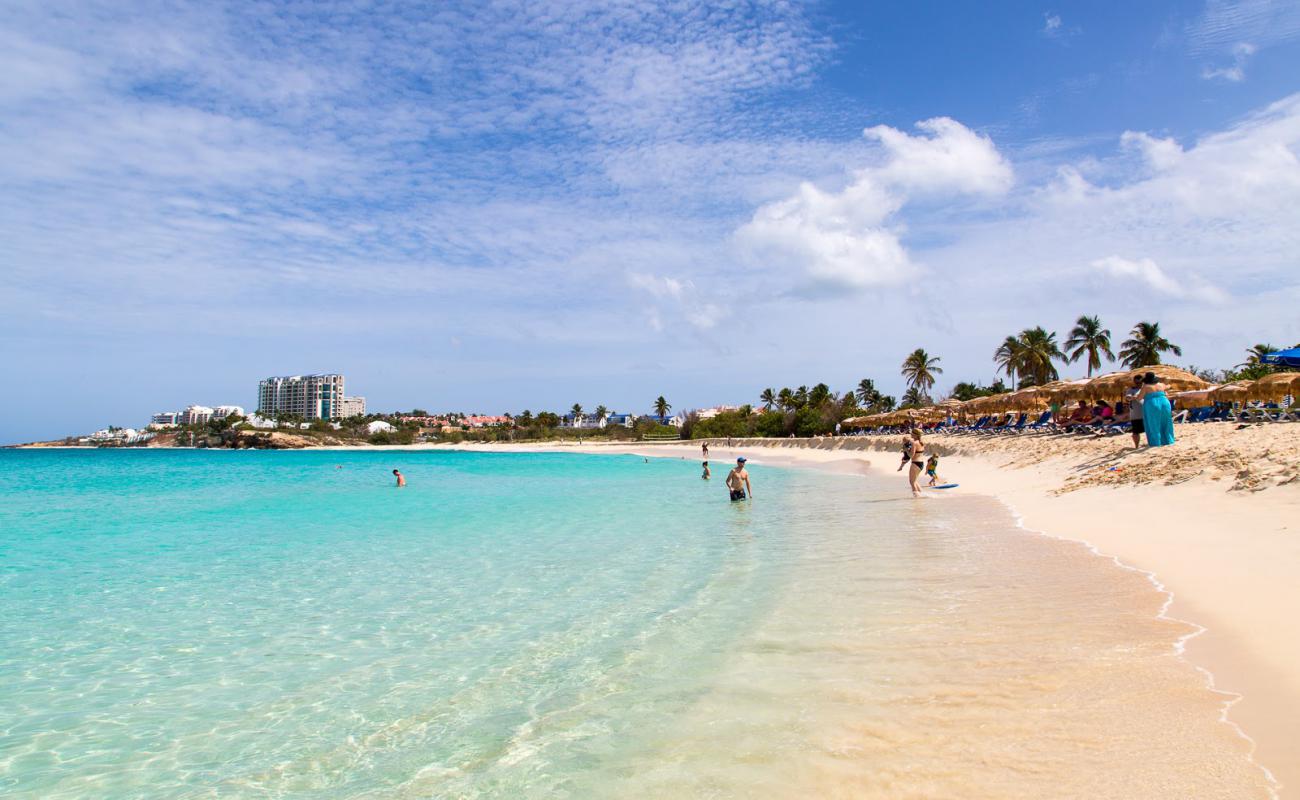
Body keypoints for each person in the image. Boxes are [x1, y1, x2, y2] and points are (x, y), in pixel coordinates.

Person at [1141, 371, 1176, 447]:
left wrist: (1133, 398)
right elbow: (1169, 386)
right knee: (1166, 422)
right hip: (1165, 402)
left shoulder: (1146, 386)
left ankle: (1156, 442)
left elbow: (1139, 398)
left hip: (1152, 404)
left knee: (1153, 423)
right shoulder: (1162, 385)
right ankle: (1168, 440)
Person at [1124, 374, 1145, 448]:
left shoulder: (1147, 388)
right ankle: (1136, 446)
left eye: (1140, 382)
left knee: (1150, 430)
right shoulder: (1131, 389)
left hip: (1147, 413)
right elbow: (1127, 397)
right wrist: (1133, 397)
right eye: (1137, 383)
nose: (1139, 384)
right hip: (1136, 414)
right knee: (1135, 432)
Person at [906, 429, 925, 497]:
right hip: (921, 463)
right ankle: (921, 495)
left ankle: (916, 498)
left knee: (912, 482)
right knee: (915, 481)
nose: (911, 434)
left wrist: (906, 450)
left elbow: (911, 455)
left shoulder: (914, 443)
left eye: (912, 433)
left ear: (915, 435)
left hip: (915, 463)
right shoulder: (921, 442)